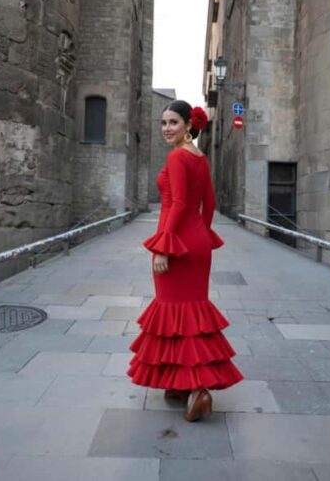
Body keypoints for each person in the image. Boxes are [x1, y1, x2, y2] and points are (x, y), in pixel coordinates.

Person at [127, 100, 243, 422]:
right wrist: (201, 235)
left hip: (176, 241)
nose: (166, 128)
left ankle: (198, 390)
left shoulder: (177, 156)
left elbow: (177, 203)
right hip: (196, 242)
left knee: (174, 313)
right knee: (192, 313)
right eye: (163, 122)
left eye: (173, 122)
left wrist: (165, 247)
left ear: (188, 125)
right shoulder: (200, 157)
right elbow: (210, 202)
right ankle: (181, 383)